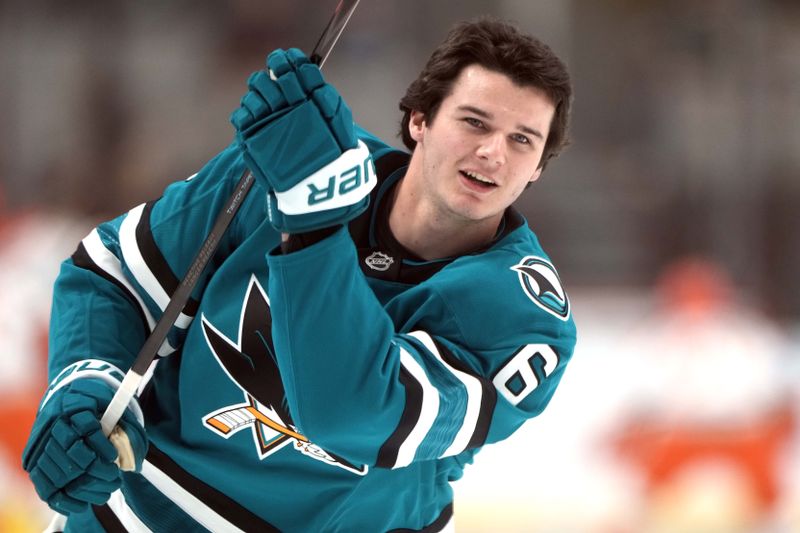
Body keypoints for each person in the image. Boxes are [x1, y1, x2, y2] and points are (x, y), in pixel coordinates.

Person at [22, 16, 577, 532]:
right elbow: (113, 276)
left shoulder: (524, 315)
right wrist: (87, 385)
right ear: (419, 120)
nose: (492, 153)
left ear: (538, 169)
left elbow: (355, 414)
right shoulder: (290, 168)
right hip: (137, 514)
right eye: (474, 121)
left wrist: (313, 220)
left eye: (521, 140)